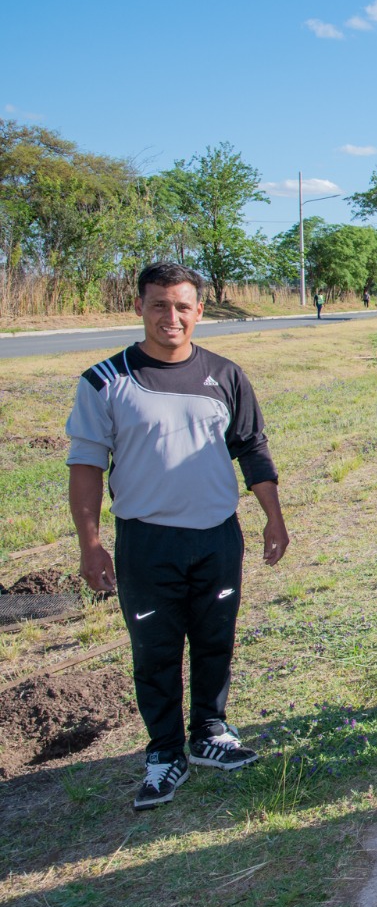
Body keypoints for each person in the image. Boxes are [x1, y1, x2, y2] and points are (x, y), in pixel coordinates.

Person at [67, 262, 291, 810]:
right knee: (156, 650)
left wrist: (273, 515)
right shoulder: (105, 379)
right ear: (140, 307)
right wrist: (90, 542)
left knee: (216, 638)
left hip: (217, 536)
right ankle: (165, 753)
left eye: (183, 305)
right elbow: (86, 464)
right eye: (159, 305)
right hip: (147, 541)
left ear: (199, 311)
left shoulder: (225, 375)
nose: (172, 316)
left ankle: (210, 733)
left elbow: (252, 448)